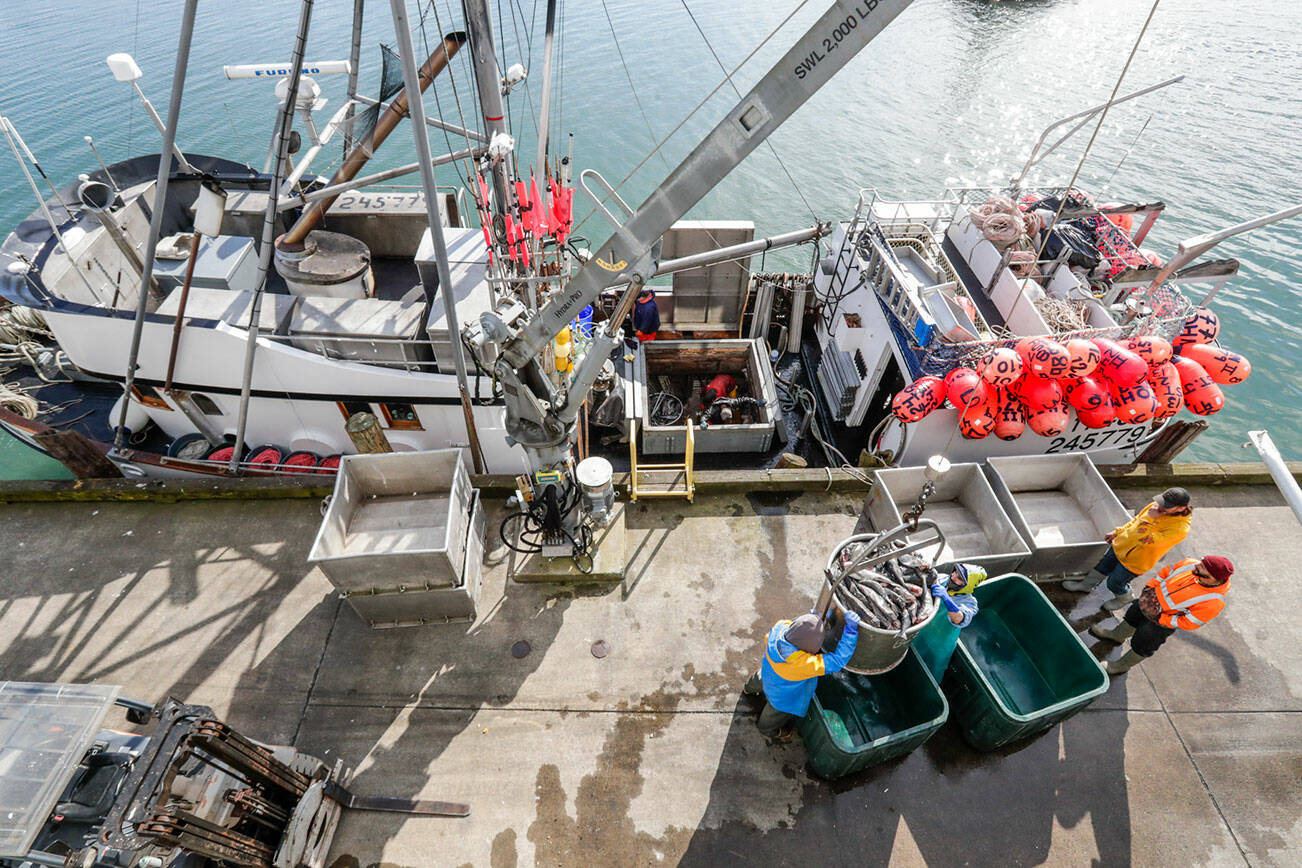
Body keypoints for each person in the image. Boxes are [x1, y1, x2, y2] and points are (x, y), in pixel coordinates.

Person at [1090, 555, 1233, 675]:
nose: (1197, 566)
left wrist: (1161, 618)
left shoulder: (1213, 601)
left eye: (1202, 567)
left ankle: (1121, 665)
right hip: (1149, 600)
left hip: (1161, 623)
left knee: (1144, 643)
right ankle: (1117, 635)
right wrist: (1150, 587)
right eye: (1201, 562)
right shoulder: (1190, 564)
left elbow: (1191, 622)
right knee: (1132, 617)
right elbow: (1166, 572)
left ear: (1213, 577)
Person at [1062, 487, 1193, 611]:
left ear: (1181, 508)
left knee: (1114, 582)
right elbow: (1135, 522)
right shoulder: (1156, 506)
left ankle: (1124, 597)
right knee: (1102, 566)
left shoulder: (1180, 529)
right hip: (1121, 545)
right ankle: (1086, 585)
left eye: (1167, 506)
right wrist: (1118, 532)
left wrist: (1149, 519)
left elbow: (1146, 541)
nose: (1161, 506)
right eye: (1161, 501)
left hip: (1135, 561)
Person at [743, 609, 860, 743]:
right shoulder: (803, 665)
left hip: (767, 675)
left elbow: (796, 624)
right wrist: (850, 632)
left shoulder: (778, 628)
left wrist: (812, 618)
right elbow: (837, 660)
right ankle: (772, 731)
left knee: (759, 679)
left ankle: (747, 688)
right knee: (768, 722)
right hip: (780, 698)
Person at [915, 562, 988, 682]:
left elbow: (959, 618)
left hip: (939, 644)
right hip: (923, 631)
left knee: (930, 673)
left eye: (959, 578)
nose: (953, 576)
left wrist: (948, 600)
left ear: (968, 585)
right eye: (954, 571)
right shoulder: (943, 578)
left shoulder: (970, 603)